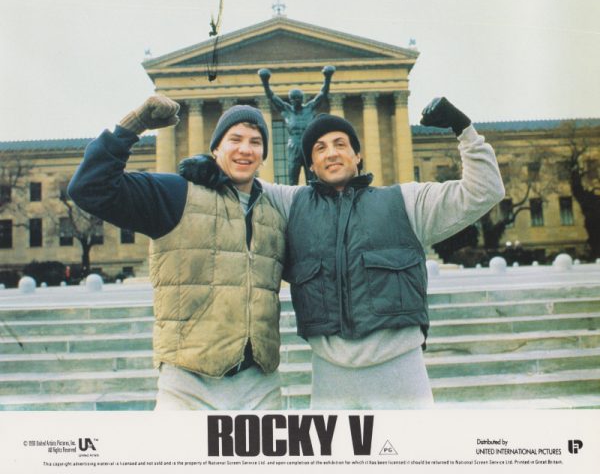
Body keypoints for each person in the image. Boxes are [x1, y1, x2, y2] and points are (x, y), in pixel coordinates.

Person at [180, 97, 505, 409]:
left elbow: (484, 190)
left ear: (358, 156)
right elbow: (244, 181)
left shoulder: (405, 202)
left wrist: (464, 130)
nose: (331, 153)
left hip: (400, 372)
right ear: (311, 165)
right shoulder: (292, 204)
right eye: (320, 148)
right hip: (330, 375)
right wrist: (214, 171)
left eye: (340, 144)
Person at [68, 96, 287, 410]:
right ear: (216, 149)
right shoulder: (175, 193)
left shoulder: (275, 212)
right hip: (188, 387)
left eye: (255, 142)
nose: (245, 149)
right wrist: (132, 127)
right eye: (234, 139)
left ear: (264, 154)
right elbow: (89, 188)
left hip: (260, 387)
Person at [258, 65, 335, 185]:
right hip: (294, 146)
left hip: (308, 145)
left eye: (298, 98)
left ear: (302, 99)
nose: (296, 101)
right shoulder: (286, 110)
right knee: (293, 176)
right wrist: (265, 81)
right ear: (290, 99)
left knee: (312, 178)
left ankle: (313, 199)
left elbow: (323, 94)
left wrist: (327, 77)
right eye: (293, 98)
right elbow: (271, 97)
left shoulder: (310, 108)